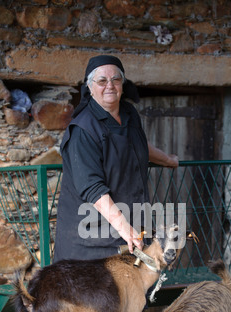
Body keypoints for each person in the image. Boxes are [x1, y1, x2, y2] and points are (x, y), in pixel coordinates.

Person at [54, 55, 178, 262]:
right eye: (102, 81)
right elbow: (92, 188)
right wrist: (125, 229)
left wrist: (168, 160)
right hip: (91, 238)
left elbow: (137, 144)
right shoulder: (83, 130)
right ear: (90, 87)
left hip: (131, 226)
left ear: (123, 84)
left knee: (134, 292)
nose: (109, 86)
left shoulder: (129, 114)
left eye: (116, 80)